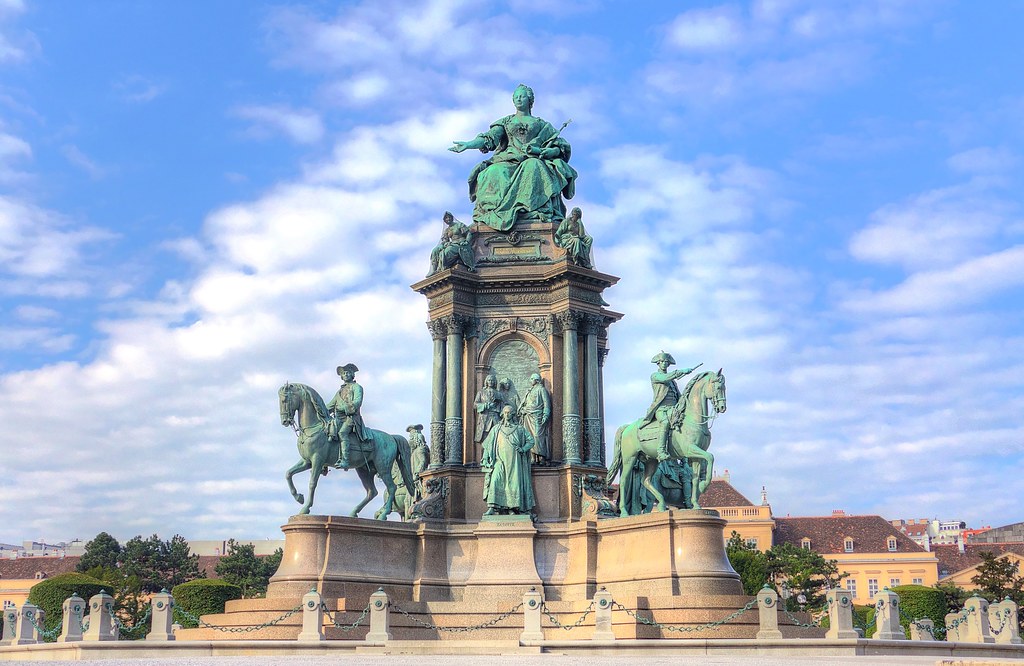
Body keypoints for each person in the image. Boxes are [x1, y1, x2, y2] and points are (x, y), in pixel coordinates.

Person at [449, 84, 577, 231]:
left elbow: (559, 147)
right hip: (508, 160)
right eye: (516, 97)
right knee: (493, 171)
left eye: (522, 96)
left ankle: (529, 208)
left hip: (532, 159)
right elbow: (488, 138)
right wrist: (468, 144)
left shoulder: (542, 125)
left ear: (530, 100)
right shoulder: (506, 122)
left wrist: (549, 152)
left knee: (534, 166)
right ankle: (495, 213)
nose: (518, 99)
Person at [641, 353, 696, 462]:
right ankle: (661, 451)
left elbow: (678, 395)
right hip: (661, 409)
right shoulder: (655, 376)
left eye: (666, 362)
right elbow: (665, 378)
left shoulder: (672, 382)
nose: (664, 364)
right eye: (662, 362)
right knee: (665, 423)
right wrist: (682, 371)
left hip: (673, 409)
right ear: (658, 363)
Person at [481, 406, 536, 516]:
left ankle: (512, 508)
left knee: (513, 484)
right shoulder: (496, 429)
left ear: (513, 414)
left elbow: (531, 441)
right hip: (499, 461)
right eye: (505, 412)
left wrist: (523, 449)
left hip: (514, 462)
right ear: (502, 414)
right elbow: (488, 445)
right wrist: (485, 457)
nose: (507, 414)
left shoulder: (519, 429)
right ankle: (492, 507)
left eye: (509, 412)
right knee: (495, 480)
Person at [327, 363, 370, 470]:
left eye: (347, 373)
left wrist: (344, 408)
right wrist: (319, 410)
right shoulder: (339, 392)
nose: (345, 375)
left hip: (351, 418)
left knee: (342, 433)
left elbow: (357, 402)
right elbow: (330, 405)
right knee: (327, 430)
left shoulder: (357, 387)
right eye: (344, 373)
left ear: (352, 375)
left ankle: (345, 460)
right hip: (339, 418)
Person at [427, 211, 476, 276]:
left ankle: (442, 268)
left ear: (452, 218)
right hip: (452, 244)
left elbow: (469, 233)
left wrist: (466, 241)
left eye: (449, 217)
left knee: (447, 252)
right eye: (446, 218)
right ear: (444, 220)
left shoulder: (459, 225)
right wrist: (442, 244)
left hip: (460, 244)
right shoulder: (447, 230)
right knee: (435, 250)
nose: (448, 219)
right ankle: (434, 270)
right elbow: (445, 240)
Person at [517, 373, 551, 465]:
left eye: (532, 379)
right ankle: (533, 458)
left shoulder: (541, 389)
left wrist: (546, 414)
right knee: (529, 437)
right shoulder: (530, 390)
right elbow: (525, 403)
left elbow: (546, 403)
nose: (530, 380)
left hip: (537, 416)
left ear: (537, 380)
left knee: (537, 436)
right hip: (528, 416)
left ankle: (542, 457)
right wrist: (522, 409)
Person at [473, 374, 502, 445]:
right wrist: (486, 405)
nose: (491, 382)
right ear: (486, 381)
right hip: (485, 418)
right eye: (489, 380)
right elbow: (475, 405)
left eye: (492, 380)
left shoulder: (498, 393)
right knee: (485, 438)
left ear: (495, 382)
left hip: (496, 418)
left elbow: (502, 406)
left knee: (497, 437)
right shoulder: (481, 392)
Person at [406, 424, 430, 500]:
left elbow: (423, 461)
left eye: (412, 439)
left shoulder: (420, 449)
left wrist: (417, 473)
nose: (410, 442)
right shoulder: (415, 451)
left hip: (418, 478)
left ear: (416, 439)